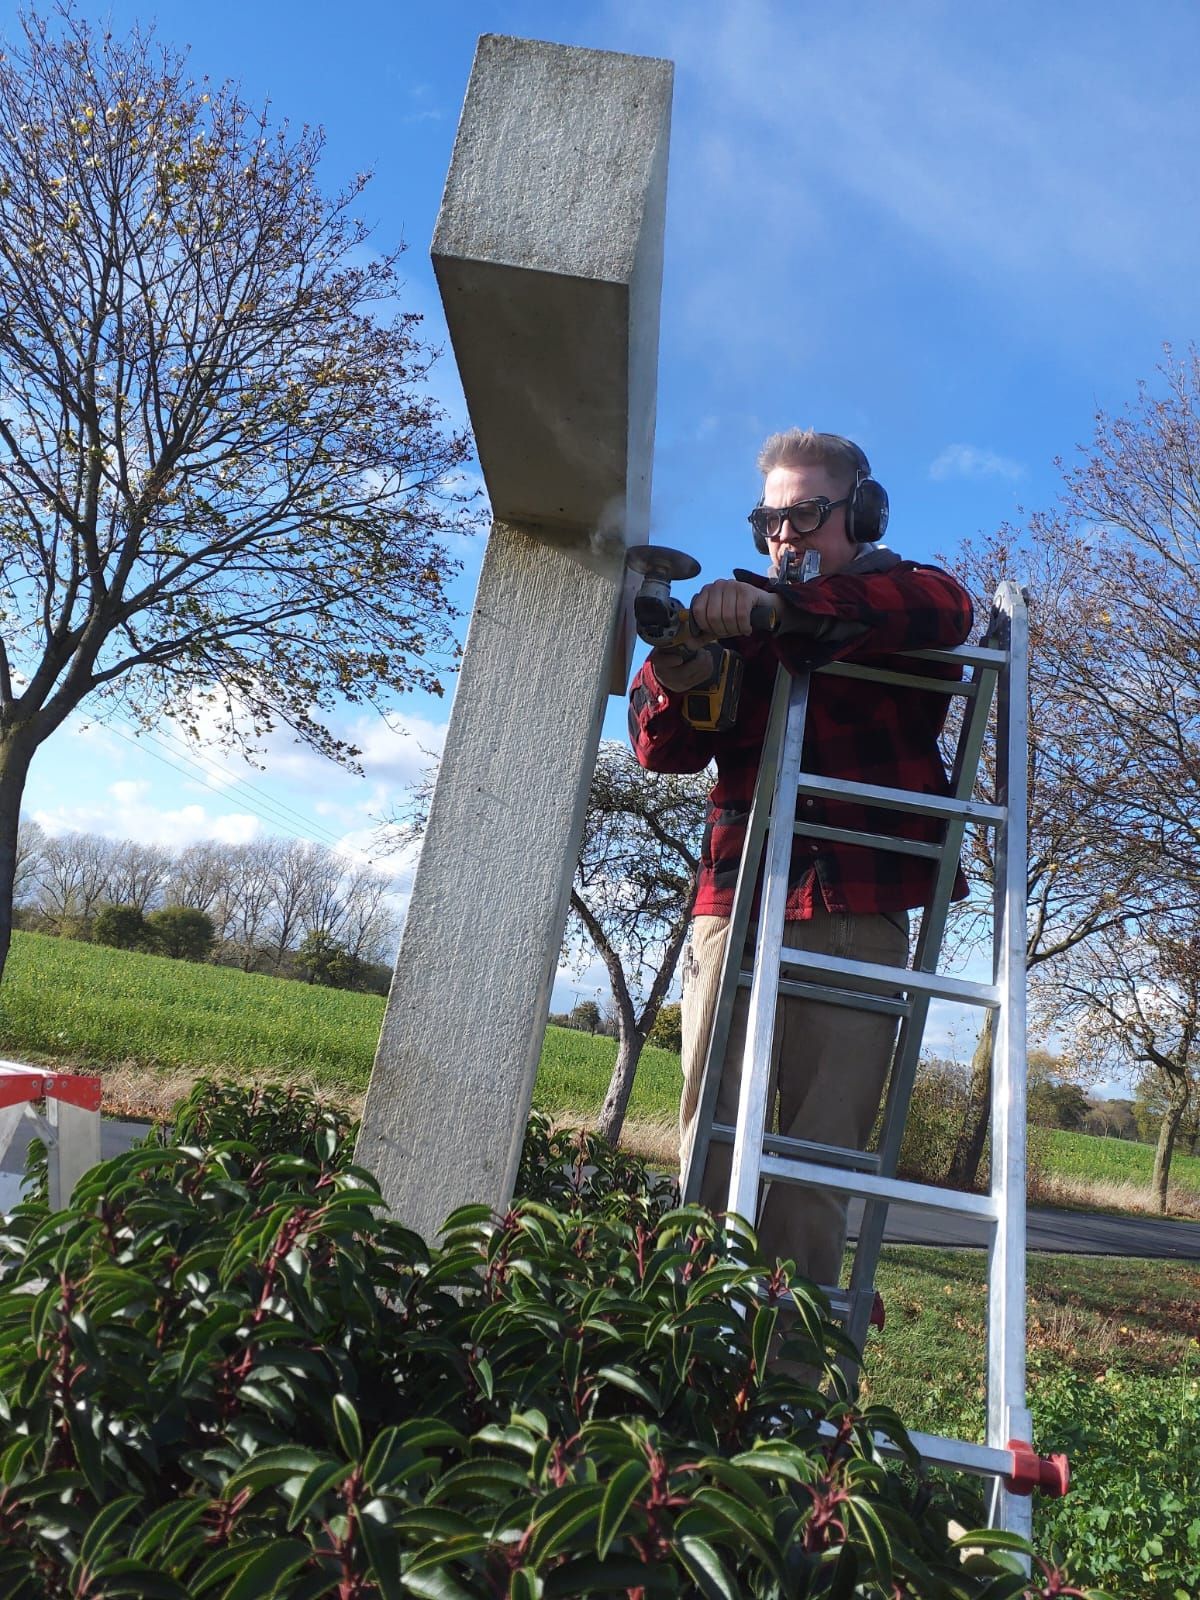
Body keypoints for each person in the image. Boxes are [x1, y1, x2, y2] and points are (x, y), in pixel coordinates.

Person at [628, 428, 973, 1291]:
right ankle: (683, 1350)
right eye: (770, 520)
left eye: (807, 515)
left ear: (861, 512)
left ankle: (788, 1385)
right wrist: (679, 663)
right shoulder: (734, 616)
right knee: (706, 1146)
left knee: (819, 1166)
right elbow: (659, 747)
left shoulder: (899, 594)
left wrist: (780, 614)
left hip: (855, 913)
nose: (785, 536)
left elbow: (945, 609)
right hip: (736, 902)